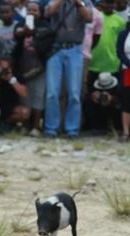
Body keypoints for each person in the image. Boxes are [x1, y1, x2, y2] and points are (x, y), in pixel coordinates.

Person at [44, 0, 92, 138]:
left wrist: (78, 3)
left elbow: (88, 17)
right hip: (55, 50)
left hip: (75, 50)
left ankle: (72, 129)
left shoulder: (85, 2)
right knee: (52, 92)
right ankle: (51, 128)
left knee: (74, 93)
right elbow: (48, 12)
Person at [15, 0, 48, 136]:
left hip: (39, 68)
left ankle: (35, 126)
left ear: (40, 13)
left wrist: (34, 33)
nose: (32, 13)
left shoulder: (45, 26)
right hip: (23, 67)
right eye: (29, 10)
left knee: (38, 96)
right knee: (25, 97)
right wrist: (24, 31)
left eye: (35, 10)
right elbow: (16, 34)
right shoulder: (21, 24)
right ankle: (25, 125)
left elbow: (45, 44)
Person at [88, 0, 124, 89]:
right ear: (101, 3)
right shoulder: (94, 17)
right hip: (93, 64)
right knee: (92, 95)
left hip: (112, 65)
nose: (109, 5)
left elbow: (122, 44)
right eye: (107, 2)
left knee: (113, 96)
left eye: (111, 3)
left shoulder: (120, 21)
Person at [0, 57, 31, 128]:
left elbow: (24, 94)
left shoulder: (17, 76)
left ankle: (5, 123)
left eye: (5, 68)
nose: (3, 71)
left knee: (25, 113)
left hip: (10, 105)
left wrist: (11, 79)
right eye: (1, 68)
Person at [117, 22, 130, 141]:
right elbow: (119, 52)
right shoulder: (123, 34)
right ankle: (126, 131)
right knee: (127, 101)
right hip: (127, 71)